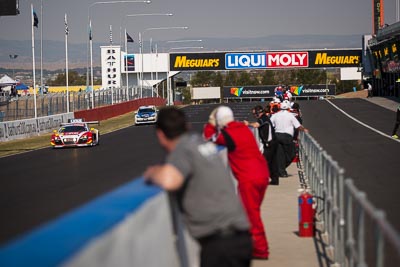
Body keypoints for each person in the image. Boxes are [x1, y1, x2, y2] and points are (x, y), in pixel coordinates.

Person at [143, 107, 253, 267]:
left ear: (160, 135)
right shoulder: (200, 143)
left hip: (220, 244)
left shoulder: (182, 149)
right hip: (240, 235)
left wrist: (152, 173)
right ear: (187, 126)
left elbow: (170, 180)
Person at [203, 106, 270, 259]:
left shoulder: (228, 134)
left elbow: (209, 138)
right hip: (262, 173)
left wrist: (210, 123)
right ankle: (252, 244)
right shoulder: (243, 128)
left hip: (249, 178)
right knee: (253, 212)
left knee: (251, 215)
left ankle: (261, 249)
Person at [270, 100, 308, 177]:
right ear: (288, 108)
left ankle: (280, 171)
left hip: (277, 136)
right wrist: (304, 130)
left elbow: (269, 125)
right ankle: (281, 170)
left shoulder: (275, 115)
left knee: (280, 155)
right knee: (292, 154)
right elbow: (298, 126)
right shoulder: (290, 116)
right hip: (287, 137)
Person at [244, 105, 279, 185]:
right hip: (271, 142)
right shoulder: (264, 118)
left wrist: (248, 124)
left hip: (270, 143)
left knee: (264, 161)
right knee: (272, 162)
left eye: (254, 113)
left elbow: (256, 125)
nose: (254, 115)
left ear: (258, 112)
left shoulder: (263, 118)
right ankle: (274, 180)